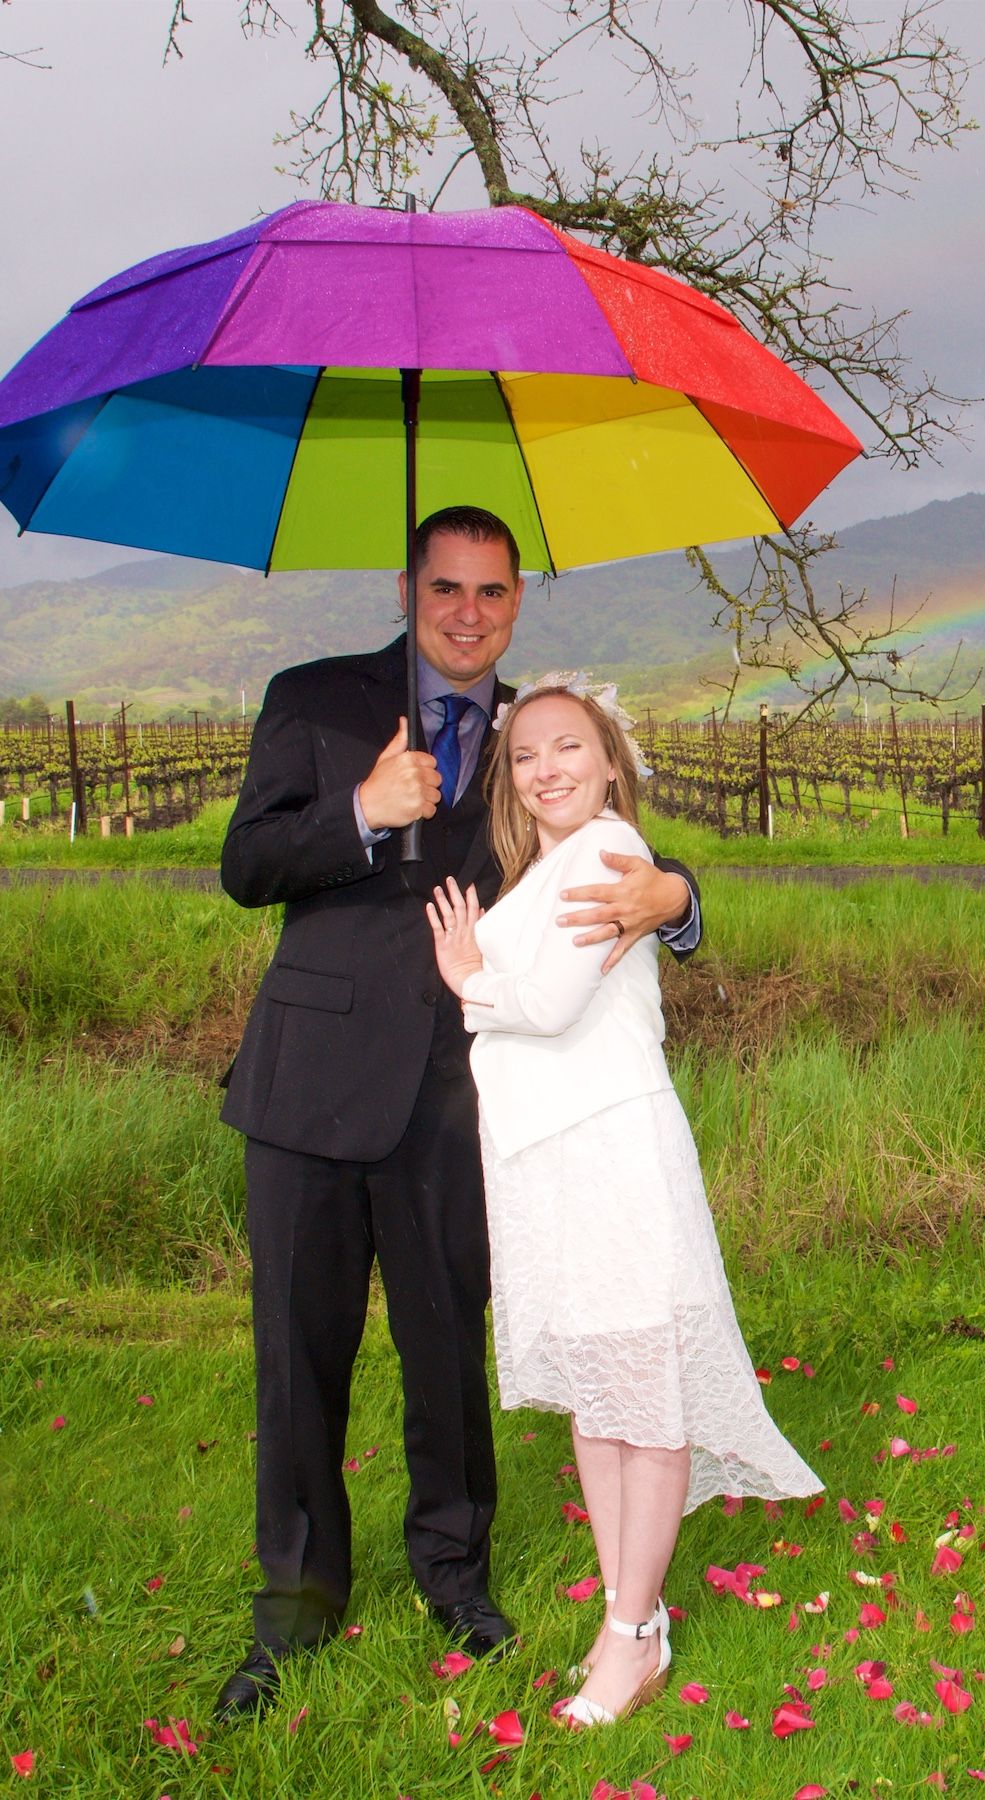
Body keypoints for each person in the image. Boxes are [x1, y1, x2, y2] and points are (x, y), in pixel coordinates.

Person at [213, 506, 707, 1721]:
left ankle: (453, 1571)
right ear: (406, 586)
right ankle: (296, 1599)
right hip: (309, 1085)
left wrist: (681, 897)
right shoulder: (314, 700)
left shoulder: (532, 736)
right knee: (298, 1351)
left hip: (461, 1099)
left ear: (516, 601)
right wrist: (362, 813)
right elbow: (245, 866)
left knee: (445, 1348)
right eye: (445, 589)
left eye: (490, 592)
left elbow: (616, 848)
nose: (466, 613)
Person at [425, 676, 822, 1729]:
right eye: (524, 755)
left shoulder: (606, 851)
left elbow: (550, 1008)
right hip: (551, 1155)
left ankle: (632, 1632)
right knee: (603, 1399)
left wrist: (466, 978)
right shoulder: (546, 861)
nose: (544, 767)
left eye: (567, 747)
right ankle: (625, 1618)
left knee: (639, 1394)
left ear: (609, 761)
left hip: (607, 1152)